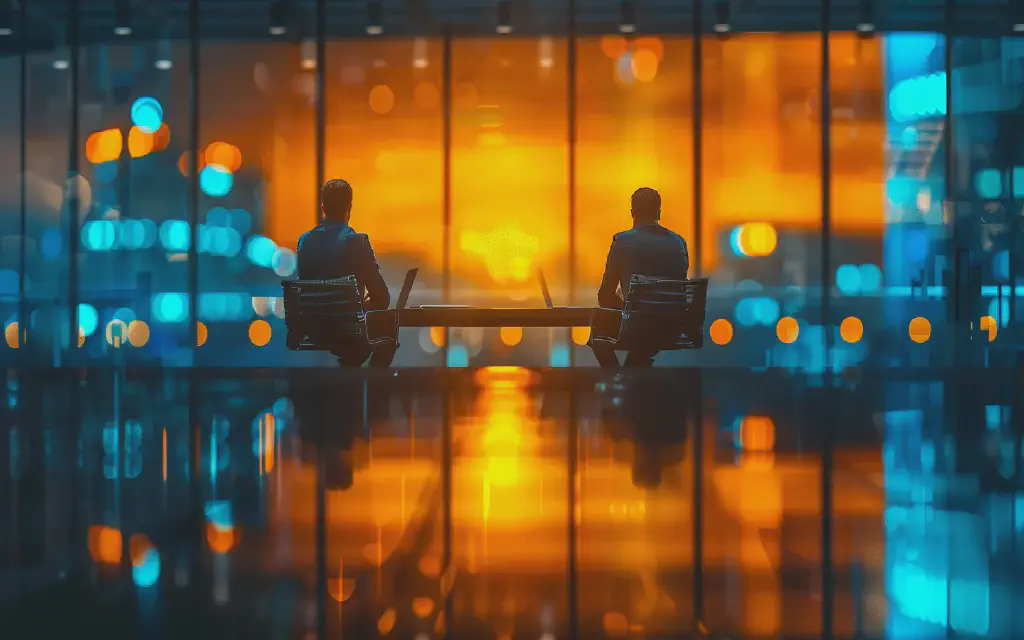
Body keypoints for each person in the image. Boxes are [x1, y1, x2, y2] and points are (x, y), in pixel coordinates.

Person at [297, 179, 394, 366]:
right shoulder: (357, 242)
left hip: (314, 328)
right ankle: (375, 388)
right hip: (348, 331)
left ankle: (348, 381)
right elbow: (382, 299)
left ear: (323, 208)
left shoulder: (304, 242)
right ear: (349, 207)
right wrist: (359, 307)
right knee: (387, 326)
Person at [593, 187, 689, 367]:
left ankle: (619, 383)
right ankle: (630, 381)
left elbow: (604, 296)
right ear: (659, 212)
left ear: (632, 213)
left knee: (599, 335)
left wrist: (627, 307)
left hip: (637, 328)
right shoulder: (679, 243)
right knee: (642, 338)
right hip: (673, 328)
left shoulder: (622, 242)